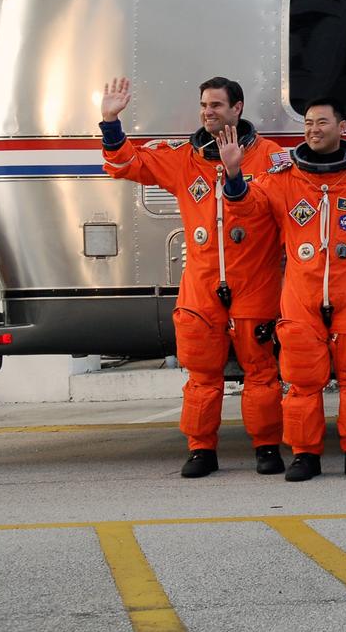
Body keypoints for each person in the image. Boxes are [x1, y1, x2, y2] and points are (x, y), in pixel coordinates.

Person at [100, 77, 285, 478]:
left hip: (254, 279)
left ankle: (267, 446)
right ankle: (202, 449)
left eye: (216, 105)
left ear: (237, 108)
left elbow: (264, 208)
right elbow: (125, 164)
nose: (208, 112)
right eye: (204, 104)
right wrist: (111, 121)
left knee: (261, 371)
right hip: (202, 283)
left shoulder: (270, 157)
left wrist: (235, 174)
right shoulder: (185, 158)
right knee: (201, 374)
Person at [218, 97, 346, 482]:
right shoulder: (284, 178)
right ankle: (305, 455)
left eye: (321, 122)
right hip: (301, 298)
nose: (313, 129)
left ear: (342, 128)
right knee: (301, 380)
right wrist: (234, 174)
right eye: (307, 123)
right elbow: (248, 209)